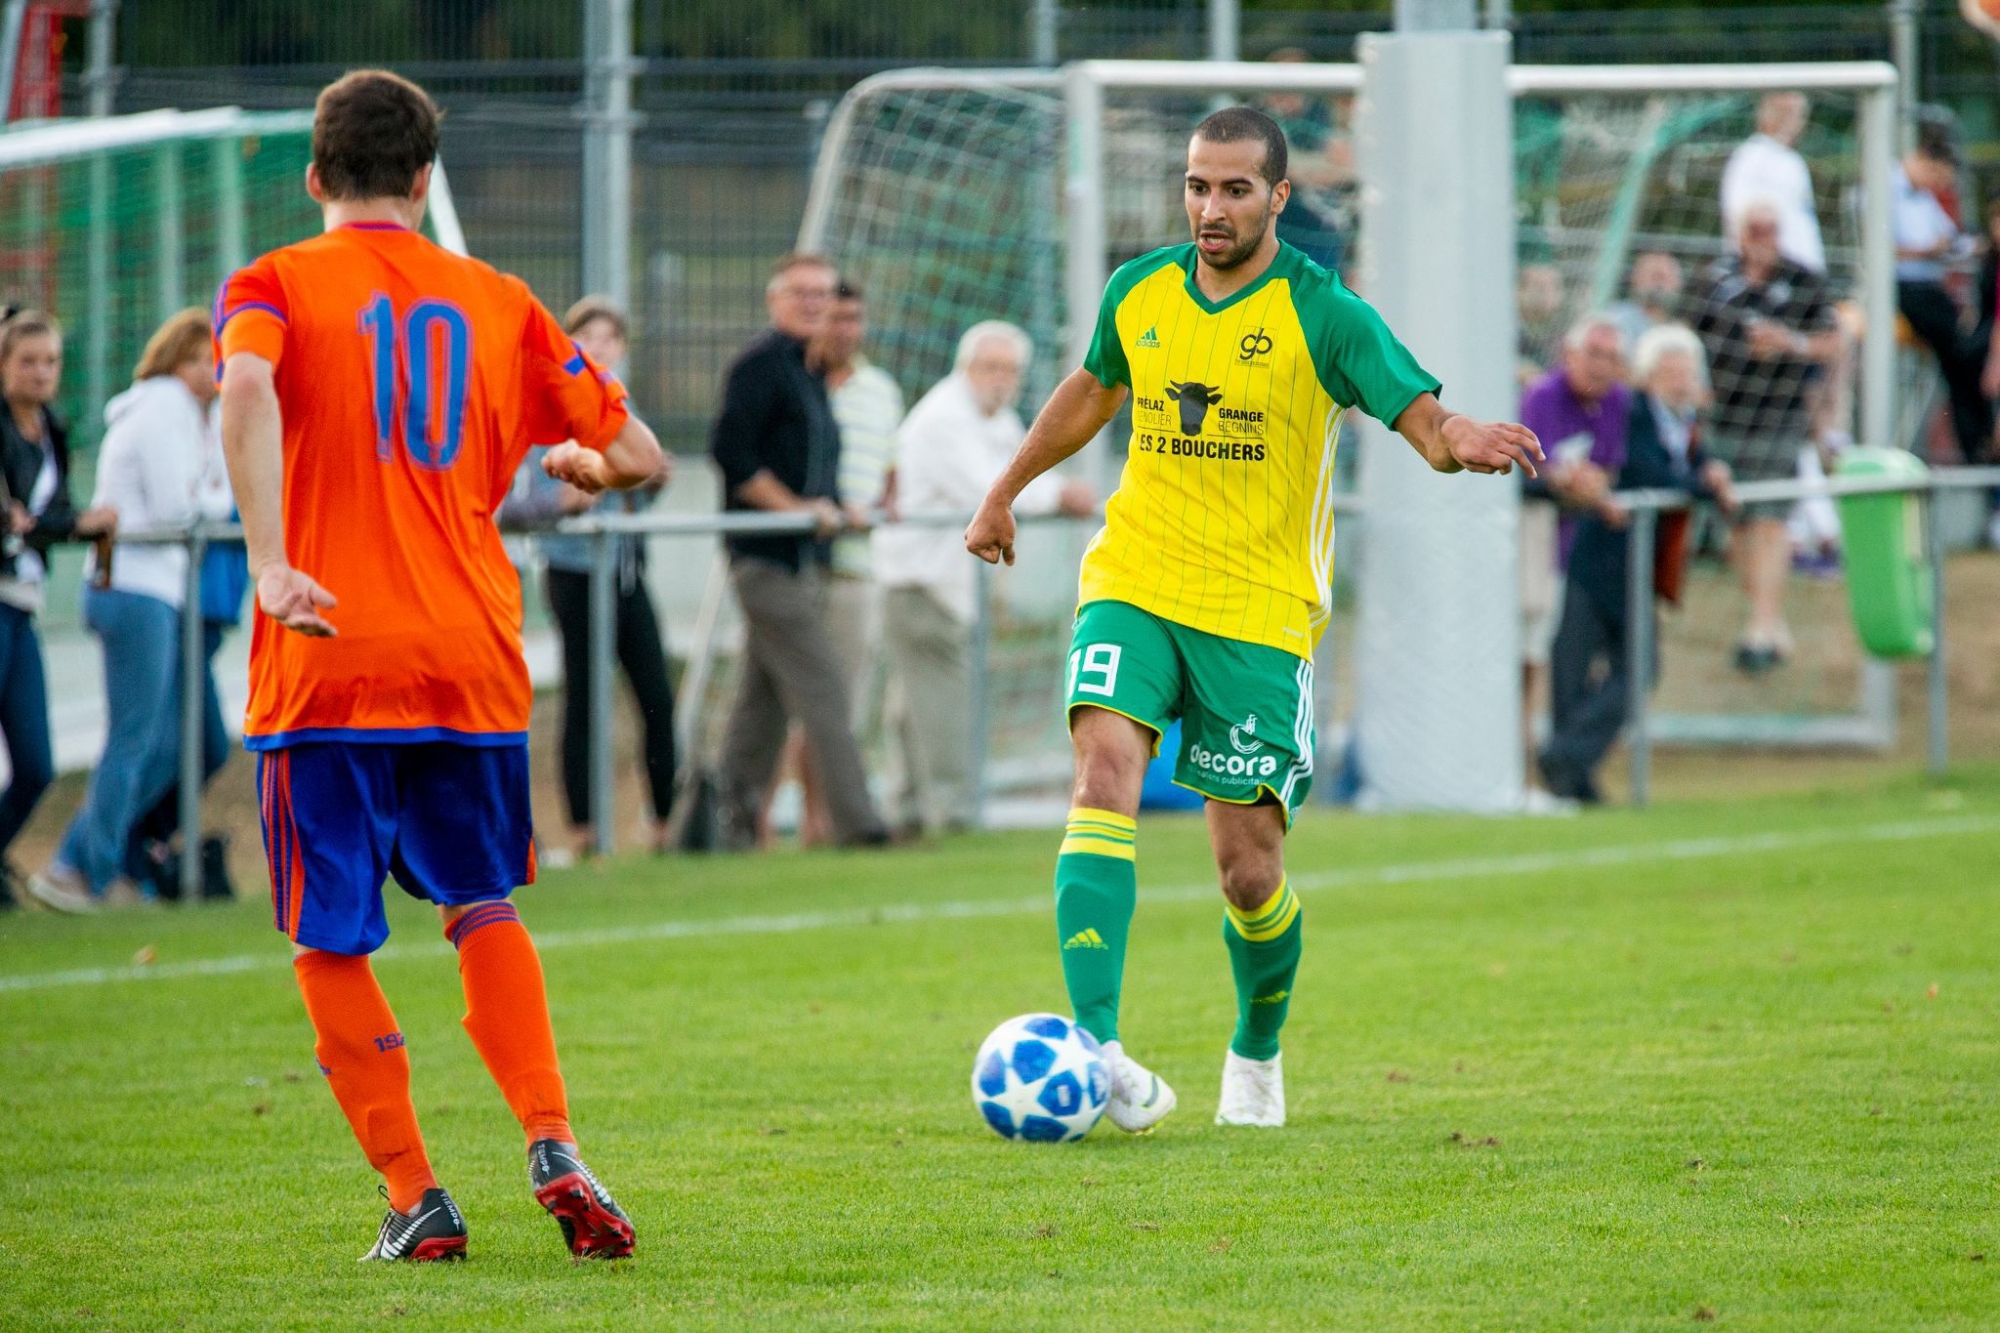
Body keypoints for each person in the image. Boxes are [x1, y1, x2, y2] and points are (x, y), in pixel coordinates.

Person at [963, 106, 1541, 1131]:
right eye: (1195, 186)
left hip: (1258, 614)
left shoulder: (1325, 314)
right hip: (1135, 577)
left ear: (1278, 197)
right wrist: (1003, 488)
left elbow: (1421, 421)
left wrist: (1464, 437)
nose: (1208, 208)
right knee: (1102, 768)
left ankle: (1256, 1051)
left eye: (1233, 189)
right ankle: (1097, 1053)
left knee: (1247, 873)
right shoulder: (1138, 289)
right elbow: (1093, 389)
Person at [215, 70, 657, 1262]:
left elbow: (246, 382)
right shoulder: (497, 299)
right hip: (470, 658)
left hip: (328, 656)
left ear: (314, 177)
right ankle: (553, 1138)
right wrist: (590, 470)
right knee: (481, 902)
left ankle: (415, 1194)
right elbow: (638, 447)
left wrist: (269, 561)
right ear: (424, 179)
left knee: (330, 936)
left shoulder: (271, 285)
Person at [27, 312, 223, 912]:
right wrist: (233, 489)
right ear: (180, 363)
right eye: (204, 359)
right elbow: (178, 506)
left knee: (170, 743)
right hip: (134, 590)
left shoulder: (187, 415)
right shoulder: (163, 408)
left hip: (154, 592)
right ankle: (79, 869)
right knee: (137, 739)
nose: (216, 372)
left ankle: (88, 859)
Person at [875, 321, 1092, 837]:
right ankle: (952, 812)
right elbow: (991, 489)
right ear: (966, 367)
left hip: (939, 581)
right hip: (921, 579)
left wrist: (1054, 488)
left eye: (1011, 370)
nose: (1001, 379)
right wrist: (1061, 496)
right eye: (991, 367)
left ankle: (905, 809)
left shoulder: (993, 418)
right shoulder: (945, 417)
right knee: (945, 700)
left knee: (914, 702)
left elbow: (1023, 466)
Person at [709, 253, 888, 850]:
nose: (815, 303)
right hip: (767, 562)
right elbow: (733, 456)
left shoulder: (808, 372)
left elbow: (814, 467)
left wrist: (839, 506)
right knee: (826, 691)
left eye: (823, 293)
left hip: (801, 561)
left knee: (757, 714)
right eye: (802, 293)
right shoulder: (758, 366)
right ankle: (859, 827)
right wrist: (796, 511)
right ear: (774, 299)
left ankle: (707, 832)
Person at [501, 297, 677, 862]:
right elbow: (513, 505)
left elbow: (639, 476)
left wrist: (649, 480)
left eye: (610, 338)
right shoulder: (545, 409)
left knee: (654, 695)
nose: (600, 347)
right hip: (573, 572)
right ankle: (583, 829)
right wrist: (564, 502)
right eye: (588, 337)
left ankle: (664, 823)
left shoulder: (625, 411)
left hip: (625, 572)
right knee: (582, 701)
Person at [1540, 325, 1736, 804]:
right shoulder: (1635, 413)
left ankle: (1566, 759)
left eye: (1687, 371)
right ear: (1648, 376)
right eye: (1670, 371)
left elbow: (1687, 465)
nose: (1681, 381)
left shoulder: (1683, 422)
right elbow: (1652, 471)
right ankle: (1570, 774)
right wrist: (1703, 483)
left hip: (1634, 565)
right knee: (1575, 668)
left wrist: (1711, 471)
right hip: (1599, 557)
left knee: (1636, 667)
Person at [1691, 199, 1841, 673]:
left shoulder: (1804, 281)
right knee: (1737, 522)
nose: (1761, 238)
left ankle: (1759, 627)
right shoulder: (1714, 281)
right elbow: (1684, 336)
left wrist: (1789, 343)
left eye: (1769, 230)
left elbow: (1836, 342)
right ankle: (1769, 622)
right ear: (1739, 232)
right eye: (1753, 229)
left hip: (1780, 418)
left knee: (1772, 521)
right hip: (1725, 419)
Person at [1, 311, 115, 909]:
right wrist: (67, 523)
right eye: (27, 361)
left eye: (49, 362)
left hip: (21, 607)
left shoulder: (52, 429)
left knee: (37, 764)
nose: (41, 373)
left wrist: (73, 522)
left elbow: (43, 520)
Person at [788, 279, 902, 845]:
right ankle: (794, 819)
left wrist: (880, 505)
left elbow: (891, 474)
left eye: (854, 319)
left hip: (855, 564)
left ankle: (826, 818)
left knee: (842, 700)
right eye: (835, 318)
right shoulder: (797, 384)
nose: (845, 330)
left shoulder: (881, 390)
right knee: (797, 699)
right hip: (796, 562)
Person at [1516, 316, 1632, 808]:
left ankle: (1551, 765)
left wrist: (1592, 486)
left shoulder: (1620, 404)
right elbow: (1525, 470)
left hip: (1581, 555)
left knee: (1540, 661)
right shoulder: (1542, 398)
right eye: (1594, 355)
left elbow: (1609, 471)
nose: (1602, 367)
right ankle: (1531, 772)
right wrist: (1569, 484)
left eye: (1611, 357)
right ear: (1570, 354)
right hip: (1535, 552)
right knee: (1529, 661)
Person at [1894, 122, 1989, 464]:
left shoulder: (1923, 197)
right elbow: (1879, 250)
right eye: (1937, 175)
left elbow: (1948, 236)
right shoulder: (1885, 185)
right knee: (1963, 357)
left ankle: (1979, 444)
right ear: (1923, 160)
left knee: (1969, 356)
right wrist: (1927, 251)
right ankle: (1978, 450)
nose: (1938, 185)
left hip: (1929, 289)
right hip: (1902, 288)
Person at [1260, 47, 1354, 273]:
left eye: (1295, 87)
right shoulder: (1257, 123)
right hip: (1274, 238)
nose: (1287, 96)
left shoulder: (1323, 121)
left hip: (1322, 240)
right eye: (1280, 88)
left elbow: (1349, 167)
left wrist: (1308, 172)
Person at [1720, 91, 1825, 274]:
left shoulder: (1793, 160)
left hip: (1804, 275)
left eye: (1795, 113)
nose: (1790, 121)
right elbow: (1739, 218)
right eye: (1783, 111)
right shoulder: (1749, 157)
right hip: (1772, 276)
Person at [1604, 251, 1685, 355]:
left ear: (1678, 283)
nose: (1659, 285)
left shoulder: (1678, 331)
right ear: (1635, 279)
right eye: (1654, 276)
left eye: (1665, 278)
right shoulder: (1615, 318)